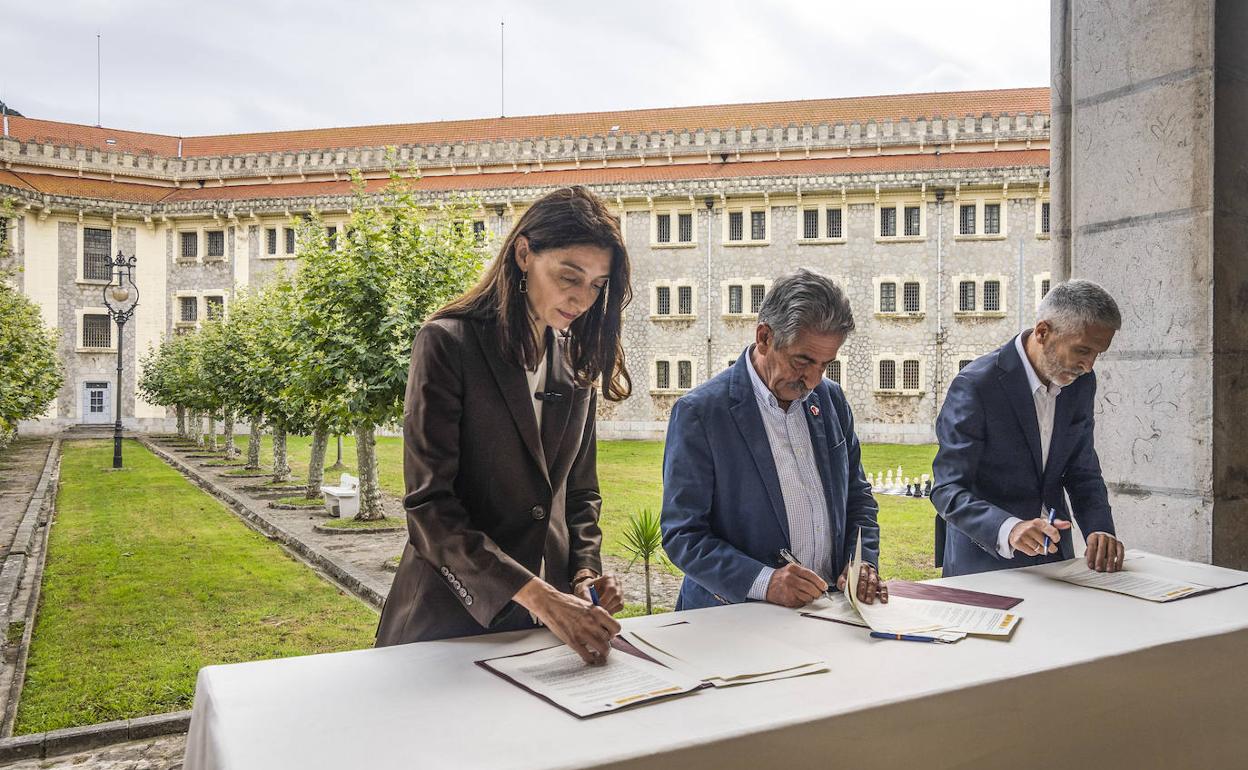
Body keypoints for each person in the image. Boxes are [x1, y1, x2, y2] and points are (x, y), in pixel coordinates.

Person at [375, 186, 629, 664]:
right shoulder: (447, 343)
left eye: (597, 285)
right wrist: (538, 595)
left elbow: (579, 493)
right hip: (446, 623)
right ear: (523, 253)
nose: (582, 297)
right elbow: (430, 507)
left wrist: (583, 574)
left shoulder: (577, 361)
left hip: (544, 631)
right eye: (569, 276)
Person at [661, 269, 887, 610]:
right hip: (734, 621)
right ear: (765, 337)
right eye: (803, 361)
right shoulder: (701, 413)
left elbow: (857, 498)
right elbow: (683, 535)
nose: (812, 380)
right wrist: (766, 582)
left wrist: (862, 561)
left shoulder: (831, 400)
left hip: (829, 615)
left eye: (825, 365)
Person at [932, 279, 1126, 577]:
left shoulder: (1081, 384)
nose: (1088, 366)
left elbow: (1081, 471)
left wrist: (1099, 530)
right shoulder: (975, 386)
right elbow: (947, 490)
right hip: (984, 569)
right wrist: (1010, 528)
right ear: (1043, 332)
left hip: (1057, 564)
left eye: (1098, 354)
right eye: (1082, 351)